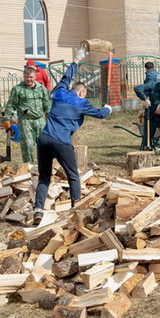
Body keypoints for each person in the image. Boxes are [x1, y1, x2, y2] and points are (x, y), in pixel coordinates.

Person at [33, 46, 112, 225]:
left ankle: (38, 210)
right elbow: (100, 114)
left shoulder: (59, 92)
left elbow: (66, 77)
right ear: (82, 92)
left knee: (44, 176)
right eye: (85, 93)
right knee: (73, 175)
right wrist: (108, 109)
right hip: (61, 142)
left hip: (44, 138)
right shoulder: (82, 102)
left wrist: (76, 60)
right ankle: (76, 209)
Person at [3, 66, 51, 164]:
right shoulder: (18, 89)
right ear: (24, 77)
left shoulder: (41, 88)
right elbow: (11, 104)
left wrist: (50, 116)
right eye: (27, 77)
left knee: (45, 145)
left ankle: (45, 168)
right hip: (26, 121)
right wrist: (7, 119)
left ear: (35, 77)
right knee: (28, 146)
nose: (29, 79)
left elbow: (47, 103)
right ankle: (29, 168)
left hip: (40, 120)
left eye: (31, 77)